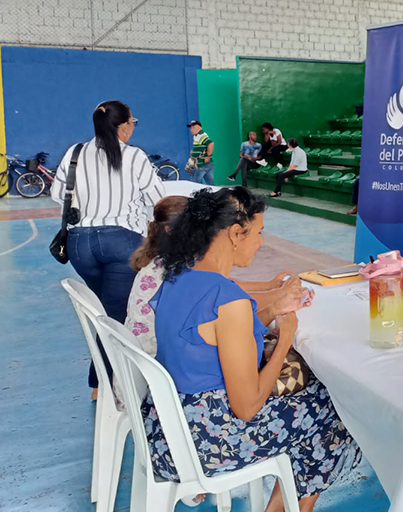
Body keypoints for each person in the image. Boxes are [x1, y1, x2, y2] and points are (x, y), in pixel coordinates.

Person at [148, 187, 360, 512]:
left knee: (315, 403)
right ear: (235, 233)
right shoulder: (226, 297)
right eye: (258, 232)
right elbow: (247, 407)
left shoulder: (178, 276)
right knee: (340, 408)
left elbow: (214, 336)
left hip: (168, 428)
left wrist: (271, 312)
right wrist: (287, 338)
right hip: (210, 441)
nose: (261, 242)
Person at [52, 101, 164, 397]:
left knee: (106, 310)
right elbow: (158, 199)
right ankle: (102, 384)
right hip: (121, 242)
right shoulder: (134, 156)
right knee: (115, 316)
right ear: (124, 125)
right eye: (133, 122)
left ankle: (101, 380)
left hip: (79, 245)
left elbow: (57, 195)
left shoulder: (75, 153)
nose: (133, 128)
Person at [125, 195, 310, 356]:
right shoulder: (181, 270)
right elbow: (230, 303)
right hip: (160, 368)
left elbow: (225, 286)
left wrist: (268, 286)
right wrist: (279, 297)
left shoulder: (166, 261)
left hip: (144, 364)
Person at [187, 120, 214, 185]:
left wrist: (208, 156)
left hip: (202, 164)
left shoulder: (202, 135)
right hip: (207, 164)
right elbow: (201, 146)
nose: (191, 130)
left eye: (193, 127)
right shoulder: (196, 136)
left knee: (195, 182)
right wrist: (194, 152)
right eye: (191, 128)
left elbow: (211, 144)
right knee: (210, 182)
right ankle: (214, 193)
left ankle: (197, 194)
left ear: (199, 127)